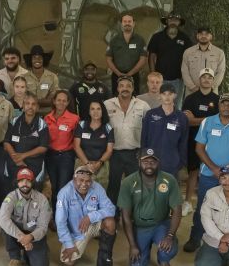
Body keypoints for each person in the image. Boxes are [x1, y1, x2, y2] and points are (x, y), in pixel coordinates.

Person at [186, 92, 229, 254]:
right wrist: (215, 169)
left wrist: (227, 171)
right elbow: (199, 148)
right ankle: (195, 238)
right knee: (203, 207)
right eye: (223, 103)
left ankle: (227, 242)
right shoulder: (208, 122)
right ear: (219, 105)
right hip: (209, 174)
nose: (227, 106)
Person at [119, 148, 182, 266]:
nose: (149, 165)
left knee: (169, 250)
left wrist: (170, 235)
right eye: (145, 161)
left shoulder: (169, 180)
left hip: (161, 224)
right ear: (139, 163)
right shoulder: (128, 182)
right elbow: (125, 217)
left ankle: (163, 259)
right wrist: (132, 245)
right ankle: (144, 248)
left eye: (153, 162)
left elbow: (177, 210)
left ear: (158, 163)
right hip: (140, 227)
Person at [55, 167, 117, 266]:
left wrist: (90, 217)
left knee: (110, 223)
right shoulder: (64, 193)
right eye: (81, 180)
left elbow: (111, 209)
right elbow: (60, 222)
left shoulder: (97, 188)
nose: (84, 184)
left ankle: (104, 259)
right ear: (74, 180)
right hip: (76, 231)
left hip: (93, 225)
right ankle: (77, 245)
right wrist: (69, 244)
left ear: (91, 181)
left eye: (88, 181)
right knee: (67, 263)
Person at [105, 77, 149, 205]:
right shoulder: (107, 104)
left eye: (128, 86)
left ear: (133, 88)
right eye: (122, 86)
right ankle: (113, 216)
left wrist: (144, 151)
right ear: (117, 88)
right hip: (114, 154)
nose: (125, 88)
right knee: (113, 186)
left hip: (135, 153)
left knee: (135, 186)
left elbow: (149, 129)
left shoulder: (143, 105)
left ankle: (133, 216)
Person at [0, 168, 50, 266]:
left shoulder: (42, 199)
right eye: (21, 181)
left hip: (33, 233)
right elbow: (3, 219)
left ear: (32, 182)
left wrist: (30, 237)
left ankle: (30, 252)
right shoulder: (11, 197)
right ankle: (15, 256)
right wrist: (22, 237)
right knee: (5, 226)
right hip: (17, 233)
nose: (24, 184)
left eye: (28, 180)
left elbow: (43, 226)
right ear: (17, 183)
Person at [183, 67, 220, 214]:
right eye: (204, 77)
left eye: (209, 77)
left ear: (213, 81)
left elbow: (219, 121)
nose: (206, 80)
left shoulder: (218, 100)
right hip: (193, 140)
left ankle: (209, 204)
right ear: (199, 80)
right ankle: (187, 202)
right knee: (193, 172)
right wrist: (208, 120)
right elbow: (187, 121)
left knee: (210, 172)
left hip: (212, 142)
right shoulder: (190, 99)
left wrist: (196, 120)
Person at [4, 94, 48, 201]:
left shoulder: (42, 124)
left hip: (34, 166)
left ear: (37, 107)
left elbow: (43, 147)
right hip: (14, 164)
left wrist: (23, 156)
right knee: (13, 195)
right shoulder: (14, 122)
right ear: (23, 106)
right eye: (27, 103)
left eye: (33, 104)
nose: (30, 106)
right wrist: (16, 158)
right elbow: (6, 143)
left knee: (34, 196)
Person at [141, 83, 189, 177]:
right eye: (164, 94)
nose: (167, 97)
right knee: (151, 190)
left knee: (170, 190)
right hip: (152, 160)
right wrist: (143, 158)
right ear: (160, 96)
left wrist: (181, 162)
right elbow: (144, 138)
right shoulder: (151, 114)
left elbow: (184, 142)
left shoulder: (182, 117)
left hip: (172, 162)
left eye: (170, 94)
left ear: (175, 95)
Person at [147, 13, 192, 109]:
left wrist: (185, 76)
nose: (173, 22)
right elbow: (152, 56)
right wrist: (153, 74)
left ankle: (174, 124)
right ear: (166, 21)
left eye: (176, 20)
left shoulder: (185, 38)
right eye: (171, 19)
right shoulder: (157, 37)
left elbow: (189, 58)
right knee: (157, 104)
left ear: (179, 23)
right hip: (159, 80)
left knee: (176, 106)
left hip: (178, 79)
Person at [44, 90, 79, 208]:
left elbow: (77, 140)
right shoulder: (47, 118)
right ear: (54, 101)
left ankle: (63, 216)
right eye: (59, 100)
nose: (61, 103)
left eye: (64, 101)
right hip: (50, 156)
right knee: (54, 187)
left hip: (66, 157)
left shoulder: (74, 119)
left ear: (68, 102)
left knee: (63, 187)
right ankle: (55, 216)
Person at [73, 100, 114, 189]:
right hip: (82, 163)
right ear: (89, 111)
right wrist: (87, 164)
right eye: (92, 109)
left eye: (98, 109)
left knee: (99, 193)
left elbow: (109, 150)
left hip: (101, 165)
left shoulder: (108, 127)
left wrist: (98, 164)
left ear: (102, 111)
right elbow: (76, 146)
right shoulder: (82, 125)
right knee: (81, 191)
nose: (95, 112)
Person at [105, 14, 148, 90]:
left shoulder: (140, 40)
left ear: (133, 24)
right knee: (116, 99)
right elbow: (108, 58)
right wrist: (118, 73)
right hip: (117, 75)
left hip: (134, 75)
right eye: (125, 21)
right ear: (121, 24)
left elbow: (143, 59)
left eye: (129, 21)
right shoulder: (114, 40)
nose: (127, 23)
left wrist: (130, 74)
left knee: (134, 99)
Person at [181, 26, 226, 93]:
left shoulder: (219, 53)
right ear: (197, 36)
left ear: (211, 36)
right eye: (201, 34)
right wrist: (192, 87)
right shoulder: (188, 52)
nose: (203, 36)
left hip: (211, 92)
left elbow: (221, 72)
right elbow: (184, 71)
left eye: (206, 34)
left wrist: (212, 87)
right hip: (192, 92)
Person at [21, 46, 59, 112]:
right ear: (31, 60)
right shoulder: (23, 78)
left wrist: (32, 101)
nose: (37, 60)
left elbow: (53, 99)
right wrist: (44, 101)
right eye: (34, 58)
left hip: (48, 114)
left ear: (44, 59)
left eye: (40, 58)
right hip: (29, 113)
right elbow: (22, 98)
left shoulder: (53, 77)